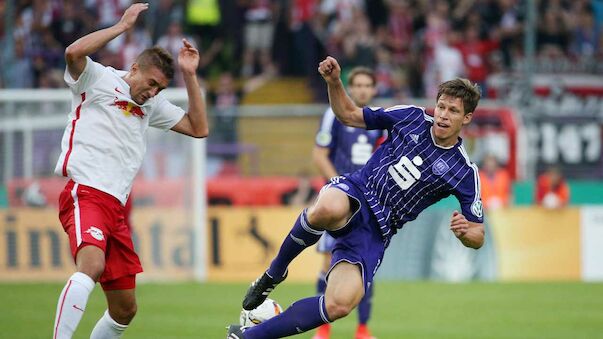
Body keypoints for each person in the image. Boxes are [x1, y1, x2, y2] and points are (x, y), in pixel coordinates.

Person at [226, 56, 485, 338]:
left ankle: (247, 336)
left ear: (467, 118)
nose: (443, 115)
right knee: (327, 207)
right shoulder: (410, 116)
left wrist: (465, 234)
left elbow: (478, 234)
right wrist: (334, 82)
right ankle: (274, 272)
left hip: (378, 230)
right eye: (441, 106)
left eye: (453, 111)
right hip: (358, 192)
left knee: (339, 304)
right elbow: (348, 114)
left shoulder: (464, 172)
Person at [52, 3, 208, 339]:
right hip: (86, 193)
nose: (152, 92)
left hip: (117, 208)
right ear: (134, 68)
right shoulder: (97, 77)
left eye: (160, 89)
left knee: (125, 309)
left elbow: (198, 127)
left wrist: (190, 75)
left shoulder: (151, 105)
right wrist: (122, 26)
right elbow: (73, 51)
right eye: (151, 83)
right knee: (90, 266)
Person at [311, 66, 384, 339]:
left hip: (369, 205)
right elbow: (320, 156)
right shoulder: (334, 114)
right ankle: (323, 328)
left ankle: (363, 329)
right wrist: (339, 187)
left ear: (374, 89)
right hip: (340, 202)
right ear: (350, 88)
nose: (363, 89)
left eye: (368, 85)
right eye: (358, 85)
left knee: (366, 263)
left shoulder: (380, 121)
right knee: (328, 262)